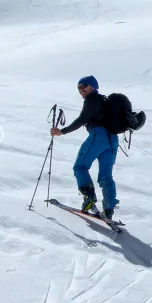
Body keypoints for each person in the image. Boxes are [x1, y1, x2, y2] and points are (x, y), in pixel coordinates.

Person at [51, 75, 119, 218]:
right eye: (79, 88)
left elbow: (82, 119)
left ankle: (89, 197)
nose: (81, 90)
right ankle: (109, 209)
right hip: (112, 139)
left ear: (93, 86)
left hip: (98, 135)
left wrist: (62, 131)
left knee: (80, 167)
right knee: (106, 176)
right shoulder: (104, 101)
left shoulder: (92, 99)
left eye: (84, 86)